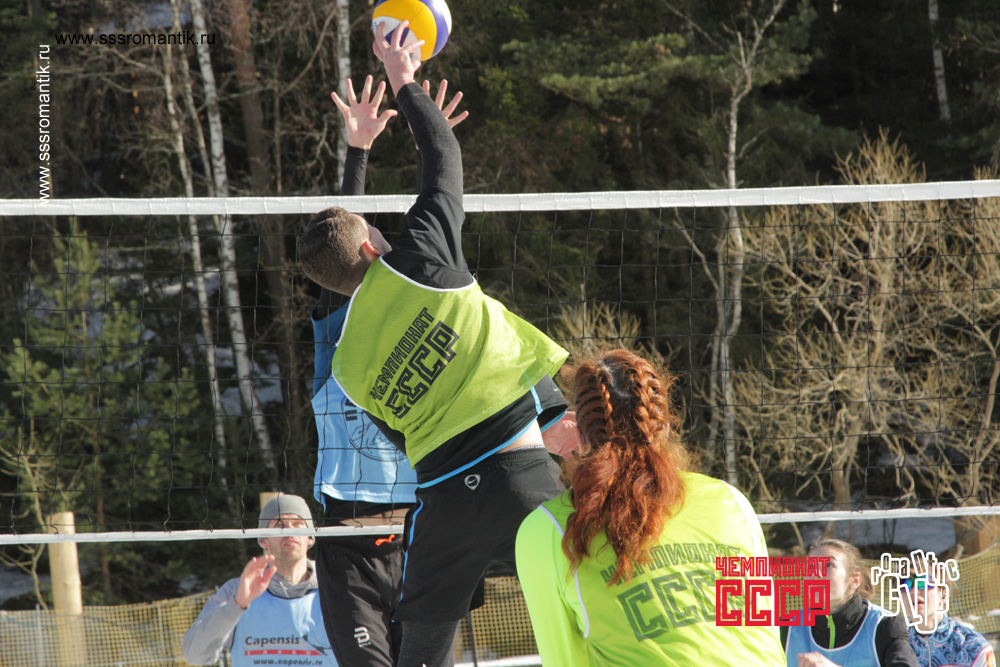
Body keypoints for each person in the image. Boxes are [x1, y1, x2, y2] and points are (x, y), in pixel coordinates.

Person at [298, 23, 573, 667]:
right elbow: (443, 161)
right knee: (595, 585)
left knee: (422, 651)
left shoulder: (346, 366)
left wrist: (361, 150)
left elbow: (399, 435)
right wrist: (407, 84)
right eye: (374, 229)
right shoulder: (420, 259)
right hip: (514, 476)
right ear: (373, 247)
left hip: (439, 508)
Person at [311, 73, 464, 667]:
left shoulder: (424, 320)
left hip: (423, 539)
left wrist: (428, 136)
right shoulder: (338, 337)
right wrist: (358, 151)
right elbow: (342, 245)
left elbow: (438, 203)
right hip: (348, 540)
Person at [515, 348, 786, 666]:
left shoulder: (548, 529)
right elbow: (761, 630)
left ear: (581, 437)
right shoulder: (731, 501)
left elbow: (564, 660)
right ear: (665, 426)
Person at [183, 494, 336, 666]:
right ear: (264, 540)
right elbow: (194, 655)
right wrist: (237, 604)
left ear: (310, 538)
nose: (289, 531)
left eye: (297, 524)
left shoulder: (336, 590)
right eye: (279, 525)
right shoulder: (239, 590)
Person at [784, 538, 918, 667]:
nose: (816, 573)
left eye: (828, 565)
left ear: (854, 580)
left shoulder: (884, 626)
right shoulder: (787, 628)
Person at [904, 566, 995, 667]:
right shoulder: (895, 648)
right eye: (905, 585)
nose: (913, 592)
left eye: (923, 583)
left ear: (944, 594)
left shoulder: (975, 648)